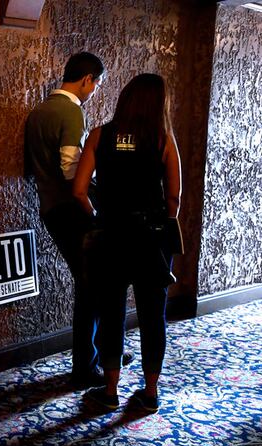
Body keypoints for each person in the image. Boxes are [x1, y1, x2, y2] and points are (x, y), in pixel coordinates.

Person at [73, 73, 182, 413]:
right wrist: (158, 217)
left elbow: (78, 190)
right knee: (153, 315)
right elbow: (175, 197)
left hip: (112, 237)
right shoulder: (163, 139)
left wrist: (99, 217)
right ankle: (150, 393)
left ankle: (109, 390)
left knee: (111, 313)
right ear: (158, 103)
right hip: (150, 241)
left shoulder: (99, 136)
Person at [25, 52, 132, 389]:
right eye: (96, 84)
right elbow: (72, 169)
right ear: (87, 79)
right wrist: (93, 206)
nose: (95, 91)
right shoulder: (71, 111)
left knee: (89, 285)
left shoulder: (38, 112)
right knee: (92, 286)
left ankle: (97, 355)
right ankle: (87, 364)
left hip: (49, 207)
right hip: (72, 209)